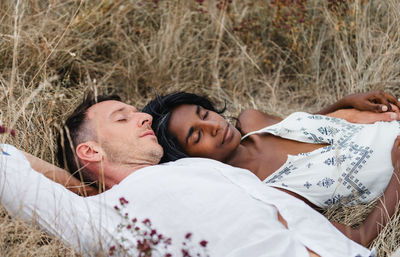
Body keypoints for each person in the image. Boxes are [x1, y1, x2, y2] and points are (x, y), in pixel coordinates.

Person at [0, 93, 382, 256]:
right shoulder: (106, 217)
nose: (144, 116)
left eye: (138, 111)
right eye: (123, 117)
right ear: (91, 151)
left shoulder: (202, 167)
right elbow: (15, 178)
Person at [143, 90, 400, 246]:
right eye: (197, 136)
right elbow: (358, 238)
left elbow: (306, 122)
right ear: (189, 161)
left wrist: (345, 103)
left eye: (204, 114)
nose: (214, 125)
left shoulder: (252, 119)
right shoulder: (270, 193)